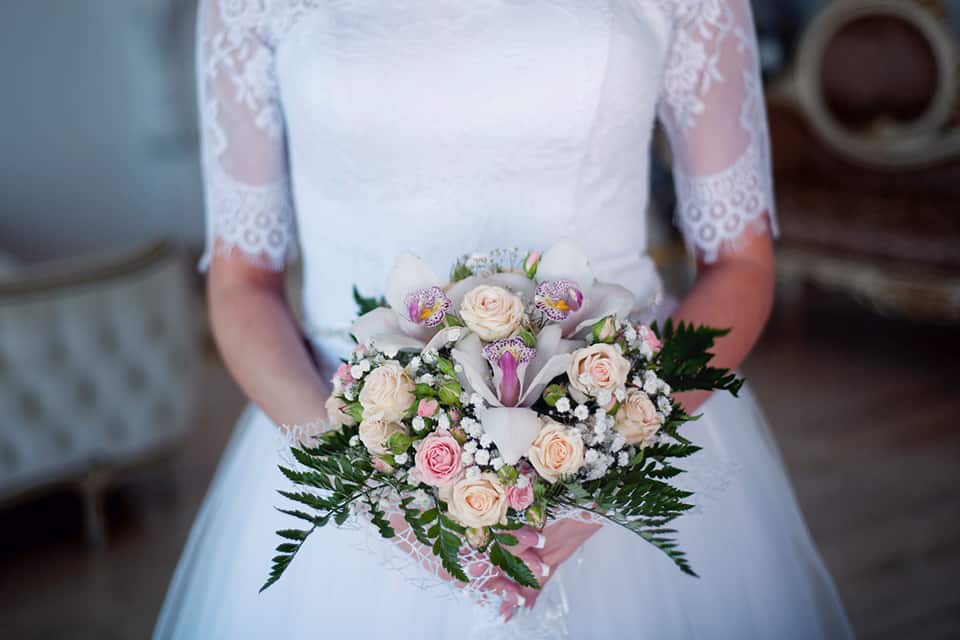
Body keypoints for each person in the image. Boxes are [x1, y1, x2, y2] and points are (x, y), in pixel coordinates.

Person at [155, 1, 854, 637]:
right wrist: (367, 481)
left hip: (626, 434)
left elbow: (742, 265)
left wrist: (612, 459)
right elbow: (241, 286)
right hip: (343, 448)